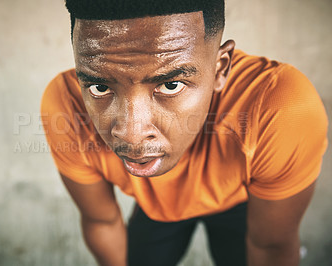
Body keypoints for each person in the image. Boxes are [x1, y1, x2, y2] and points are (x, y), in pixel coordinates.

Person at [41, 0, 328, 265]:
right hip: (155, 209)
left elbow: (271, 247)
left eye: (170, 85)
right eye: (100, 88)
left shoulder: (281, 106)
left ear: (220, 69)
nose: (131, 134)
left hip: (242, 202)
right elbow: (101, 221)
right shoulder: (66, 105)